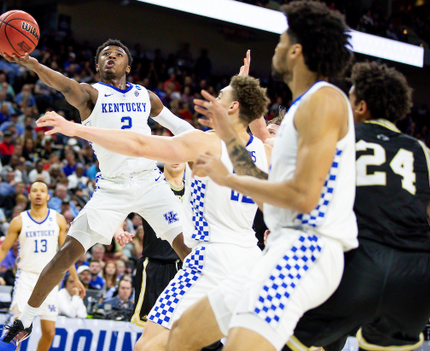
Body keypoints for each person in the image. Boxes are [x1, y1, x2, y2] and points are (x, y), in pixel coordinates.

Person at [167, 2, 357, 351]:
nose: (278, 47)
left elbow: (303, 197)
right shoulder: (300, 108)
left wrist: (228, 179)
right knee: (181, 334)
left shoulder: (324, 100)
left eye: (282, 40)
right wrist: (228, 139)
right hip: (279, 246)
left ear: (297, 51)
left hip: (307, 247)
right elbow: (261, 180)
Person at [36, 73, 270, 351]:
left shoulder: (205, 142)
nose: (214, 100)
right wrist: (246, 90)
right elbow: (261, 131)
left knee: (148, 347)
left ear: (233, 107)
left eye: (220, 96)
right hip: (252, 260)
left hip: (211, 259)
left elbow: (139, 145)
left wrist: (76, 129)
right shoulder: (267, 150)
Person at [0, 39, 193, 348]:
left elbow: (181, 128)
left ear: (128, 66)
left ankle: (213, 312)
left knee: (187, 248)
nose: (110, 58)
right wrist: (33, 65)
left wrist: (212, 142)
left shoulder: (146, 97)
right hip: (112, 188)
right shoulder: (91, 95)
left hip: (150, 182)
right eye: (104, 56)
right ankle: (27, 317)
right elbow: (65, 86)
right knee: (67, 253)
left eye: (117, 55)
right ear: (98, 67)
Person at [284, 63, 430, 351]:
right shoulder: (423, 152)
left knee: (278, 337)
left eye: (349, 99)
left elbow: (306, 197)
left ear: (361, 106)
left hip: (358, 264)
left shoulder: (341, 139)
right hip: (416, 276)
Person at [0, 180, 84, 351]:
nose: (38, 193)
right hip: (26, 277)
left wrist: (76, 278)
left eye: (42, 191)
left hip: (50, 279)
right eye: (34, 190)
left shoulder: (58, 219)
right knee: (17, 332)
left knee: (49, 332)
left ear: (48, 196)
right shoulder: (18, 221)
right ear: (29, 195)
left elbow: (66, 254)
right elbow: (4, 248)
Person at [131, 163, 185, 328]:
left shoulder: (194, 191)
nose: (175, 159)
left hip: (184, 268)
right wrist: (119, 231)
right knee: (151, 329)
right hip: (155, 265)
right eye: (171, 155)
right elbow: (120, 206)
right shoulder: (152, 186)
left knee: (179, 328)